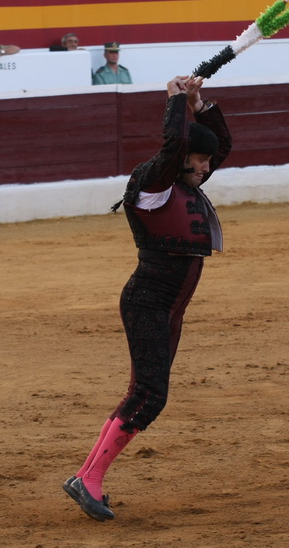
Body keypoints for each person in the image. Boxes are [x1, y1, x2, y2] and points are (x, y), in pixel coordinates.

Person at [62, 75, 232, 522]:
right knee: (150, 395)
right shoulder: (153, 181)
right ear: (180, 159)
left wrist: (199, 103)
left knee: (144, 392)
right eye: (200, 160)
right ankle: (89, 479)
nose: (207, 168)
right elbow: (175, 144)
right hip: (149, 302)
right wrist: (176, 103)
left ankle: (86, 476)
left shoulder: (184, 182)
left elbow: (220, 145)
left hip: (168, 307)